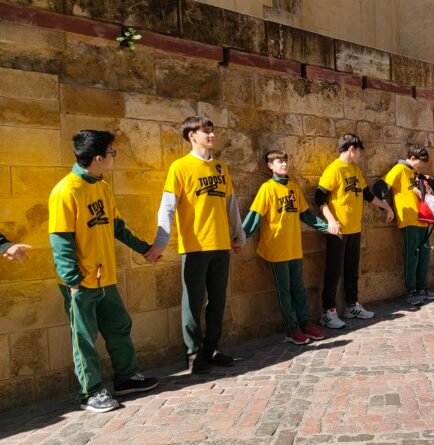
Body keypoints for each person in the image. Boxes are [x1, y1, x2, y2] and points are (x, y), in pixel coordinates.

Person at [49, 130, 159, 413]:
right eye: (112, 153)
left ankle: (126, 378)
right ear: (98, 158)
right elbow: (60, 239)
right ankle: (91, 392)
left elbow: (116, 227)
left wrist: (144, 248)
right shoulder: (66, 190)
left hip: (105, 277)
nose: (113, 157)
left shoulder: (102, 185)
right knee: (83, 337)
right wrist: (72, 281)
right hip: (80, 282)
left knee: (119, 326)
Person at [147, 116, 245, 374]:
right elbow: (167, 207)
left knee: (217, 300)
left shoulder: (222, 168)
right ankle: (192, 353)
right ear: (192, 135)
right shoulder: (180, 167)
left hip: (221, 245)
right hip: (194, 246)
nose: (211, 136)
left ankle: (211, 348)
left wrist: (239, 234)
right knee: (192, 301)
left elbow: (230, 204)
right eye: (206, 132)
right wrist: (160, 242)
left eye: (212, 131)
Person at [242, 150, 329, 345]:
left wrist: (326, 227)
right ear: (270, 166)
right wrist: (240, 237)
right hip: (276, 249)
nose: (284, 164)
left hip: (294, 247)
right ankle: (292, 329)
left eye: (285, 161)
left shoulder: (293, 188)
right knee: (285, 291)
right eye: (279, 162)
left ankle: (305, 323)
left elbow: (306, 215)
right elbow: (254, 216)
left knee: (298, 288)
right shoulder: (267, 188)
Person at [315, 134, 394, 329]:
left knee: (352, 269)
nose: (360, 154)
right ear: (352, 149)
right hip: (338, 230)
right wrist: (331, 221)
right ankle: (328, 311)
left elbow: (367, 195)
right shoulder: (334, 169)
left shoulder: (356, 170)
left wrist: (386, 207)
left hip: (355, 228)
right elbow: (319, 198)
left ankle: (351, 305)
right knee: (333, 271)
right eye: (359, 150)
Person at [374, 145, 434, 306]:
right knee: (412, 255)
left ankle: (422, 288)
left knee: (424, 256)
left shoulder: (415, 173)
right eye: (421, 162)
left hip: (422, 218)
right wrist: (386, 208)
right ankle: (411, 291)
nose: (422, 166)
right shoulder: (399, 169)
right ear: (412, 158)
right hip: (408, 219)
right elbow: (380, 187)